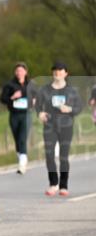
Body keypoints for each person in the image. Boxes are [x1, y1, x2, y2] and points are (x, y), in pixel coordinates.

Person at [35, 61, 83, 196]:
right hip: (49, 126)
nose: (57, 73)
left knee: (63, 157)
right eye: (55, 70)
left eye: (61, 70)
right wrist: (40, 113)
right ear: (52, 73)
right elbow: (38, 105)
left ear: (66, 73)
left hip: (66, 126)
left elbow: (79, 107)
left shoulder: (72, 91)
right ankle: (53, 184)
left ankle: (63, 186)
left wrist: (70, 109)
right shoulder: (45, 90)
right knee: (49, 156)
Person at [0, 62, 36, 174]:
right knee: (16, 138)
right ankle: (22, 158)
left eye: (21, 70)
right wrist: (13, 97)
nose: (19, 73)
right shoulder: (10, 85)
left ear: (25, 72)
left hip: (26, 113)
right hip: (14, 114)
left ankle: (22, 163)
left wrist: (34, 100)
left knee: (22, 137)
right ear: (15, 72)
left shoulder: (31, 84)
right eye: (17, 71)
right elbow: (2, 99)